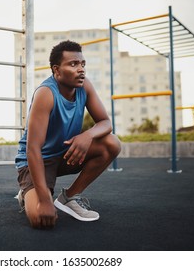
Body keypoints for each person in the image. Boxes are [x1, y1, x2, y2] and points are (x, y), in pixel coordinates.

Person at [15, 40, 121, 229]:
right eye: (73, 64)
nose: (81, 69)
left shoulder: (84, 86)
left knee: (111, 143)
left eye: (83, 64)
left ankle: (69, 197)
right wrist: (45, 201)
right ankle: (27, 194)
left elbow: (106, 123)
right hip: (38, 160)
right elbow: (33, 150)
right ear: (56, 70)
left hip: (65, 153)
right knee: (41, 217)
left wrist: (86, 136)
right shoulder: (45, 94)